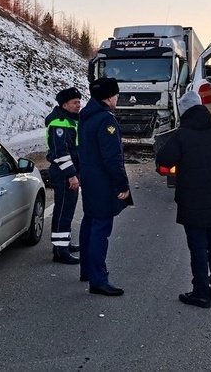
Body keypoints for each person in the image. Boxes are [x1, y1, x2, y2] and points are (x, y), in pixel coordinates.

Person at [155, 90, 211, 308]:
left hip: (192, 200)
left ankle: (201, 292)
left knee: (198, 248)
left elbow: (163, 159)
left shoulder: (182, 135)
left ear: (184, 112)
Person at [78, 77, 133, 296]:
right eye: (116, 95)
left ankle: (87, 270)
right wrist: (122, 184)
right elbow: (112, 158)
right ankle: (98, 280)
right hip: (103, 183)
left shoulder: (86, 116)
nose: (117, 99)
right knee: (101, 229)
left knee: (89, 222)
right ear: (109, 97)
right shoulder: (106, 121)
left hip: (90, 180)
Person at [45, 86, 83, 265]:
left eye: (79, 102)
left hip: (69, 173)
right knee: (62, 212)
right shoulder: (59, 124)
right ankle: (60, 252)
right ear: (65, 104)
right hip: (64, 174)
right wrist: (71, 175)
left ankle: (64, 244)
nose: (79, 105)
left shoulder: (69, 120)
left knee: (67, 211)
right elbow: (60, 153)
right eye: (75, 102)